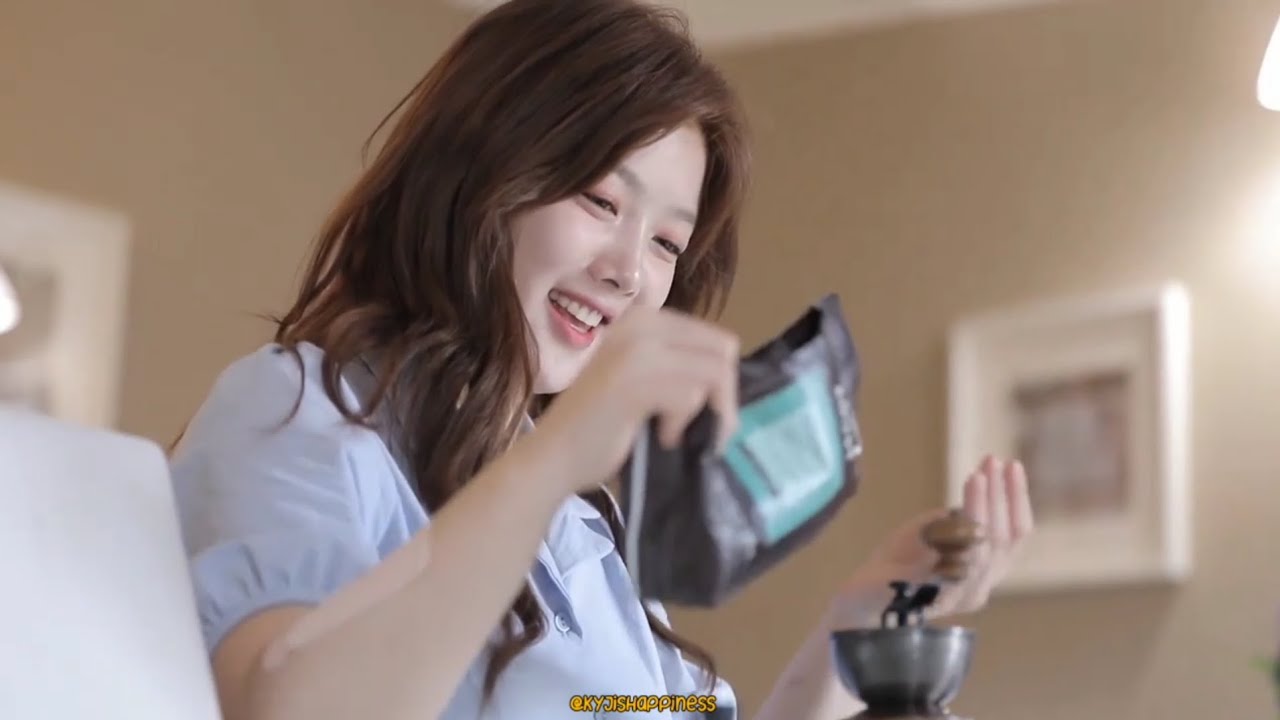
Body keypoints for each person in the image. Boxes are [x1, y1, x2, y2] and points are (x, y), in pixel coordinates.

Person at [168, 1, 1035, 718]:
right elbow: (284, 707)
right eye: (599, 200)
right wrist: (553, 461)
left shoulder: (583, 529)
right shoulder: (292, 411)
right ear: (476, 177)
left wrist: (863, 626)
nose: (629, 272)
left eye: (666, 243)